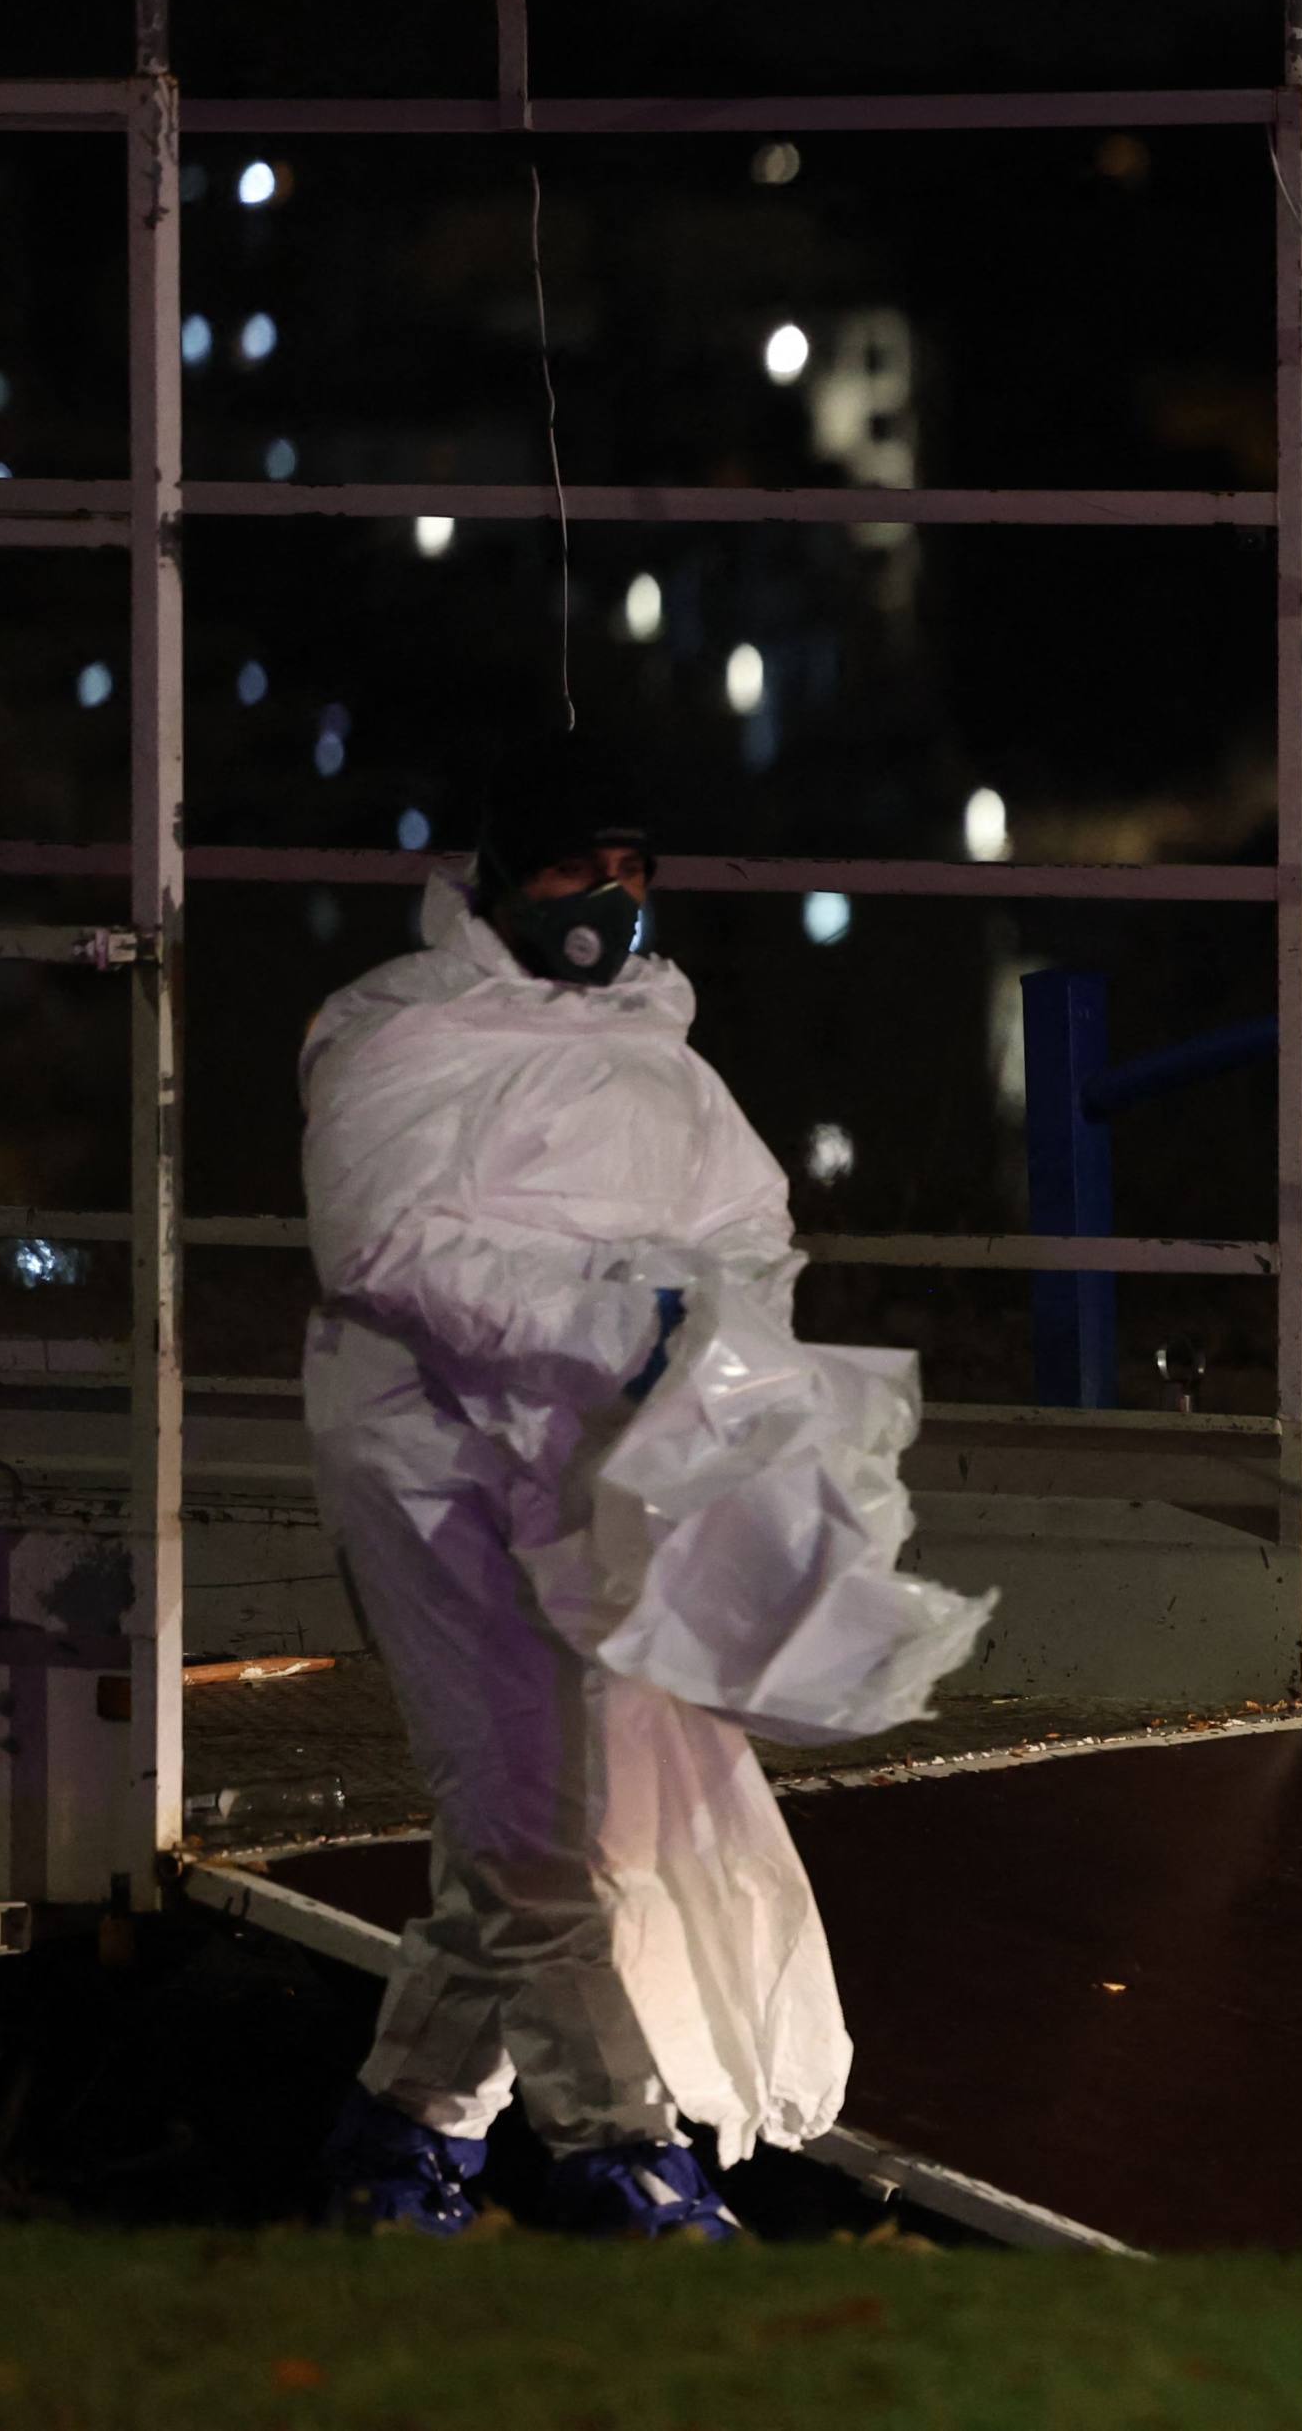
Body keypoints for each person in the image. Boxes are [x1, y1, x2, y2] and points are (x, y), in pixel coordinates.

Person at [299, 737, 845, 2238]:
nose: (608, 898)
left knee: (544, 1803)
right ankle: (621, 2154)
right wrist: (624, 1311)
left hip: (597, 1463)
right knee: (527, 1808)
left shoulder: (660, 1060)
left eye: (632, 867)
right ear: (498, 874)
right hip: (426, 1459)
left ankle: (395, 2137)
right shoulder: (399, 1040)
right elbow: (386, 1250)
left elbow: (749, 1239)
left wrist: (708, 1345)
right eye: (572, 868)